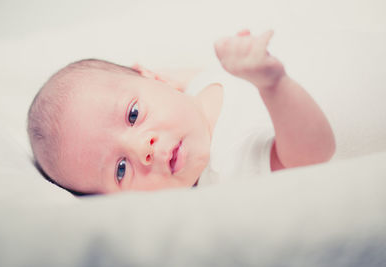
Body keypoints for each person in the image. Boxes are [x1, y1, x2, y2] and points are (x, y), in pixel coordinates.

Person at [27, 30, 336, 195]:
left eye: (133, 115)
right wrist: (273, 85)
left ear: (154, 76)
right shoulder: (224, 170)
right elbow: (312, 158)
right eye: (121, 170)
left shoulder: (193, 87)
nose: (142, 150)